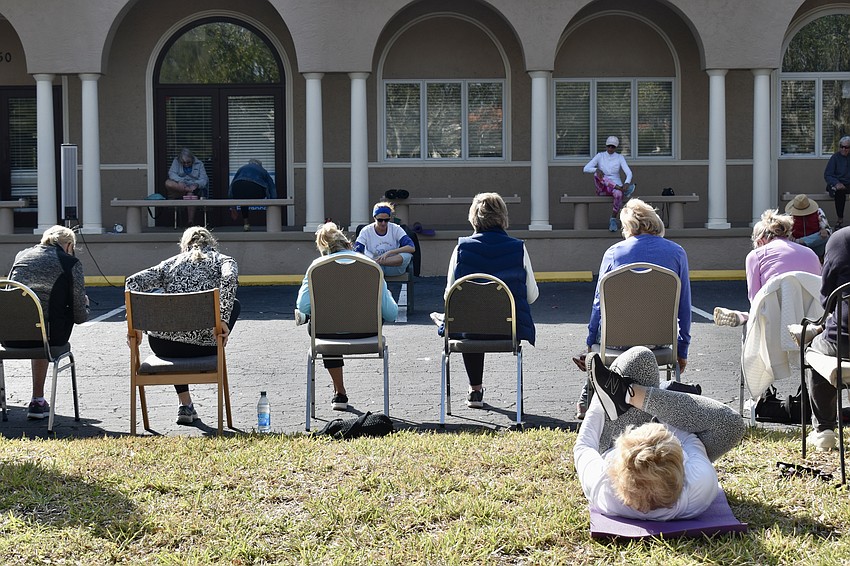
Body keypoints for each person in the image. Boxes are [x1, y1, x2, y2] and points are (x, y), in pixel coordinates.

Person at [574, 347, 745, 520]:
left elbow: (584, 446)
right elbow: (690, 440)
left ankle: (627, 394)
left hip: (612, 440)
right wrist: (662, 413)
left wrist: (600, 395)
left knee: (640, 358)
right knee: (731, 425)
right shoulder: (699, 486)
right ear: (682, 468)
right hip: (669, 431)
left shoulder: (603, 486)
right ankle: (635, 394)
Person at [575, 198, 691, 420]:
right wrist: (682, 349)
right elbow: (684, 306)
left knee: (601, 336)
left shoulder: (613, 253)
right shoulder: (677, 253)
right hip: (657, 340)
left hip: (616, 340)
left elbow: (599, 303)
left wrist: (591, 342)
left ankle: (589, 392)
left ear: (628, 227)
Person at [124, 227, 239, 425]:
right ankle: (189, 404)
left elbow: (132, 282)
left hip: (164, 345)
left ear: (183, 245)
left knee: (174, 322)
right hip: (207, 343)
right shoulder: (223, 261)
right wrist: (223, 319)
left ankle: (185, 404)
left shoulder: (169, 264)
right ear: (212, 243)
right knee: (235, 304)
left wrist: (135, 325)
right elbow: (229, 279)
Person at [443, 192, 538, 408]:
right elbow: (532, 296)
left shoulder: (461, 248)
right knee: (476, 318)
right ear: (503, 216)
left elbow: (449, 295)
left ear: (473, 217)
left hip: (469, 330)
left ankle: (475, 390)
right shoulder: (518, 247)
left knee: (469, 320)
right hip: (508, 330)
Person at [296, 222, 398, 411]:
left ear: (323, 249)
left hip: (328, 334)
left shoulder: (316, 268)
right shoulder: (371, 267)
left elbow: (303, 306)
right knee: (328, 324)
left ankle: (340, 392)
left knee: (320, 325)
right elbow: (391, 313)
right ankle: (344, 394)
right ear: (348, 243)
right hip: (367, 333)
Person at [4, 226, 89, 419]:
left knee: (37, 324)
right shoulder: (70, 262)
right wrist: (85, 304)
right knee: (44, 327)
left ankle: (38, 400)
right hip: (49, 337)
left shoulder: (22, 256)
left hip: (10, 336)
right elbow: (79, 317)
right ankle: (37, 399)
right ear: (68, 246)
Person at [714, 209, 822, 327]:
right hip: (810, 316)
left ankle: (744, 318)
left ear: (760, 241)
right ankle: (744, 317)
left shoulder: (756, 255)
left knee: (751, 324)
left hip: (774, 316)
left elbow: (755, 299)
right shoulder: (810, 253)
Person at [803, 227, 850, 450]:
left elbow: (828, 299)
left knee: (814, 349)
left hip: (844, 337)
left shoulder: (842, 238)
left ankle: (824, 429)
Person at [583, 136, 635, 232]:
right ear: (606, 146)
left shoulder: (619, 157)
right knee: (597, 174)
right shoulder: (600, 156)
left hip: (616, 188)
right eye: (609, 146)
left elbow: (629, 173)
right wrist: (596, 169)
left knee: (618, 194)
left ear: (616, 147)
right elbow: (585, 168)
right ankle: (623, 190)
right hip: (603, 188)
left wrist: (627, 182)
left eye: (613, 147)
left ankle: (613, 219)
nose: (610, 149)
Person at [354, 202, 416, 277]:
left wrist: (390, 252)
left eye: (386, 220)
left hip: (393, 266)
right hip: (374, 268)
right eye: (380, 220)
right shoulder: (366, 231)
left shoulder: (396, 229)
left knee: (407, 256)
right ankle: (376, 262)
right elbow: (357, 251)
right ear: (374, 218)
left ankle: (377, 262)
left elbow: (411, 247)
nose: (383, 223)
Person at [228, 159, 277, 231]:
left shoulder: (242, 168)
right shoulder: (262, 170)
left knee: (243, 200)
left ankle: (246, 224)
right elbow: (272, 187)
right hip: (255, 189)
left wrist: (232, 207)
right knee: (266, 189)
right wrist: (273, 203)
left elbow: (231, 187)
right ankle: (271, 219)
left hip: (238, 188)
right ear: (260, 165)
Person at [165, 148, 208, 226]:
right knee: (168, 183)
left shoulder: (199, 164)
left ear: (192, 159)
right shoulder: (176, 161)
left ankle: (190, 221)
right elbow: (171, 173)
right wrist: (180, 181)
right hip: (180, 187)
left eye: (188, 162)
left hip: (193, 188)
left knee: (191, 195)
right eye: (183, 163)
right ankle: (187, 190)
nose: (186, 164)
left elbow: (204, 179)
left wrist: (196, 184)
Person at [782, 194, 831, 260]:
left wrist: (824, 230)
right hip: (797, 247)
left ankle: (801, 241)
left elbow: (828, 230)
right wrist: (789, 235)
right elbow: (783, 231)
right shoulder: (788, 216)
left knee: (825, 237)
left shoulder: (818, 212)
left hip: (815, 244)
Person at [824, 135, 850, 229]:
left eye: (846, 147)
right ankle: (840, 219)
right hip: (837, 183)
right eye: (842, 147)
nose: (844, 149)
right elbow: (828, 174)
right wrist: (836, 183)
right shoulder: (835, 157)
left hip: (848, 183)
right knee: (839, 193)